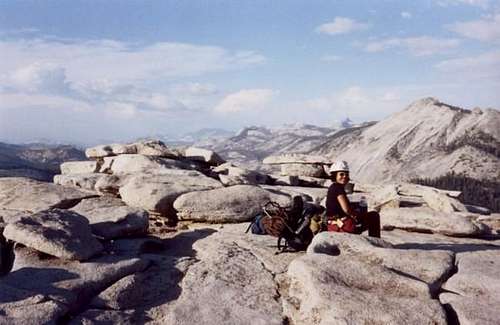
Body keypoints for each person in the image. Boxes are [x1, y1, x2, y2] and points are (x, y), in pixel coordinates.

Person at [324, 160, 381, 238]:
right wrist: (356, 215)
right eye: (341, 174)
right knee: (373, 216)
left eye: (346, 174)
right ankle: (376, 240)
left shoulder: (333, 187)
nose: (344, 176)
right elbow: (346, 210)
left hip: (333, 225)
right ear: (335, 176)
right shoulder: (338, 188)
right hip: (343, 226)